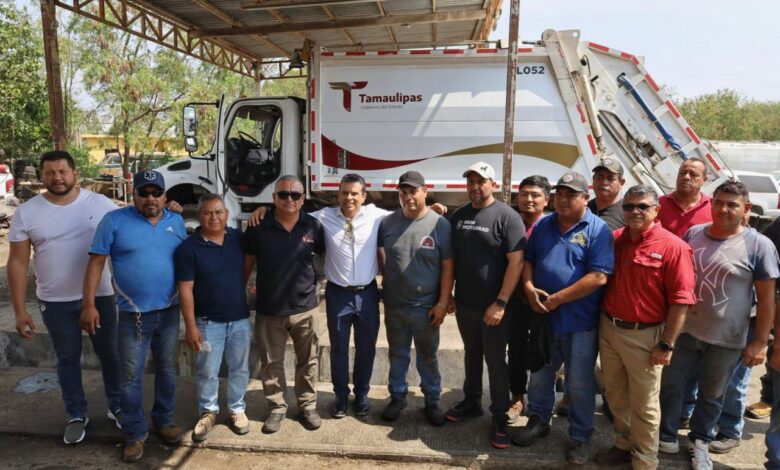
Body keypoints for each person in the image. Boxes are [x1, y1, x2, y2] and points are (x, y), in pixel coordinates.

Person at [658, 180, 778, 470]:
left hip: (727, 338)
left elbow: (766, 299)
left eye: (732, 205)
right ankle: (665, 436)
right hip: (685, 331)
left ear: (746, 208)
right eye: (719, 202)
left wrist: (760, 342)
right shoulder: (694, 233)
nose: (723, 209)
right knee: (671, 386)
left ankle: (700, 442)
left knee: (712, 395)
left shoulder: (759, 245)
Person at [7, 150, 122, 445]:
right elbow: (17, 262)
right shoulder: (27, 212)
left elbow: (133, 224)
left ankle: (118, 406)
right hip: (54, 302)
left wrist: (168, 207)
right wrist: (20, 311)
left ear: (75, 174)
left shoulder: (101, 204)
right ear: (42, 177)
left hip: (100, 297)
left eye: (62, 171)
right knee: (67, 358)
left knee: (110, 354)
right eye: (50, 173)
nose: (57, 177)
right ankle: (76, 414)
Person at [83, 170, 187, 462]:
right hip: (133, 316)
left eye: (156, 193)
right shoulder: (114, 221)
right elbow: (95, 264)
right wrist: (88, 304)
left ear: (165, 196)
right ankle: (134, 433)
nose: (150, 198)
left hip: (169, 312)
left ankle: (163, 420)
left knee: (167, 370)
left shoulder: (176, 221)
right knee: (130, 377)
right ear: (134, 195)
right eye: (144, 193)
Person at [513, 171, 614, 465]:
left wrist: (557, 299)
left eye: (571, 195)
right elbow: (529, 260)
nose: (563, 200)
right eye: (560, 194)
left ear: (586, 198)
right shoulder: (544, 225)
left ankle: (580, 437)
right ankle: (539, 420)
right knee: (540, 374)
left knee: (579, 383)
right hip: (544, 319)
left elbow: (598, 277)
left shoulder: (598, 230)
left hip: (579, 322)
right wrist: (528, 287)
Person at [595, 185, 696, 469]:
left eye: (642, 206)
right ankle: (623, 444)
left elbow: (681, 301)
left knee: (645, 404)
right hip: (610, 328)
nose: (635, 212)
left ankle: (645, 460)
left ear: (656, 210)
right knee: (615, 395)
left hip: (646, 336)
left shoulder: (673, 247)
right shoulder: (615, 239)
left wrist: (667, 343)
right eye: (629, 206)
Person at [446, 162, 525, 449]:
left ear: (493, 184)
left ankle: (500, 417)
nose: (475, 187)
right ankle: (471, 402)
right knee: (471, 355)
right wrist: (449, 294)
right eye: (470, 182)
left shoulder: (507, 217)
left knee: (495, 361)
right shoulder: (459, 216)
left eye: (481, 181)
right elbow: (451, 259)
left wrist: (501, 302)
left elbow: (516, 263)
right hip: (466, 304)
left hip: (495, 308)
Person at [244, 175, 325, 432]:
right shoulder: (258, 225)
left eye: (295, 194)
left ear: (303, 199)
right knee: (271, 363)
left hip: (306, 308)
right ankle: (277, 408)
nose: (289, 199)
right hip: (270, 309)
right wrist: (239, 294)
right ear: (274, 198)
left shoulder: (313, 226)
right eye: (283, 194)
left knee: (308, 361)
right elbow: (247, 263)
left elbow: (322, 257)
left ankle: (307, 406)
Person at [377, 171, 453, 426]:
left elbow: (448, 267)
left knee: (428, 357)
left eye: (413, 191)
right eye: (403, 192)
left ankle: (432, 400)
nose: (408, 197)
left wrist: (442, 303)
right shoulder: (387, 223)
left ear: (425, 191)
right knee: (397, 355)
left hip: (426, 307)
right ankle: (397, 397)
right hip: (395, 305)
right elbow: (381, 255)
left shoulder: (440, 224)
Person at [175, 194, 251, 442]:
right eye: (208, 213)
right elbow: (185, 290)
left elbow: (247, 266)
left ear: (227, 214)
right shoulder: (188, 249)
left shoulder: (237, 239)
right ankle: (208, 412)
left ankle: (237, 409)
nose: (214, 217)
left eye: (219, 212)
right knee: (208, 371)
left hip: (239, 320)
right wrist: (190, 326)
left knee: (240, 368)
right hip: (207, 323)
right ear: (199, 215)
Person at [657, 157, 714, 428]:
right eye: (683, 172)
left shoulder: (713, 208)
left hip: (699, 296)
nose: (687, 177)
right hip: (660, 295)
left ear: (704, 180)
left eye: (693, 174)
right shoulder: (659, 204)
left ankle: (684, 412)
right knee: (665, 355)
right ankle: (662, 409)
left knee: (690, 358)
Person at [506, 175, 550, 423]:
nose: (529, 199)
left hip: (544, 301)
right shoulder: (510, 222)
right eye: (524, 194)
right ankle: (517, 396)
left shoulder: (553, 225)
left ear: (546, 200)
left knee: (542, 352)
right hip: (515, 301)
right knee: (516, 350)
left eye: (535, 195)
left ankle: (541, 403)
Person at [587, 157, 626, 230]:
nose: (604, 182)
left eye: (610, 178)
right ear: (593, 179)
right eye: (600, 177)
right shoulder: (583, 209)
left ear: (621, 183)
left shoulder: (628, 214)